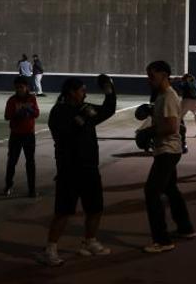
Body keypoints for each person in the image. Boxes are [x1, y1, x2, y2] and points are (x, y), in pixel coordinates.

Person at [38, 75, 117, 266]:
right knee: (63, 211)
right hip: (69, 169)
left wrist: (109, 90)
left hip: (90, 167)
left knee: (95, 208)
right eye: (81, 90)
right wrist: (81, 118)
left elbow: (107, 110)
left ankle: (90, 241)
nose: (85, 93)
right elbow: (63, 134)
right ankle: (50, 249)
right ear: (71, 92)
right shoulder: (59, 111)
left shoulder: (85, 107)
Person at [142, 61, 196, 254]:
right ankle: (185, 228)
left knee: (151, 192)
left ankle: (162, 239)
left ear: (164, 75)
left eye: (152, 76)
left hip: (168, 150)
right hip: (168, 150)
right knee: (170, 189)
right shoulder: (162, 96)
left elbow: (172, 127)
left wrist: (149, 132)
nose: (149, 80)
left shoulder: (168, 96)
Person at [4, 76, 40, 197]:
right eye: (17, 87)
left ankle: (32, 189)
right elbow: (6, 116)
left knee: (30, 162)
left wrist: (30, 110)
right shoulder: (12, 100)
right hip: (15, 135)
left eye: (22, 87)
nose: (19, 89)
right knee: (12, 162)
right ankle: (8, 186)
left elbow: (37, 114)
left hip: (29, 135)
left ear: (27, 87)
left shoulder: (32, 99)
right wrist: (17, 114)